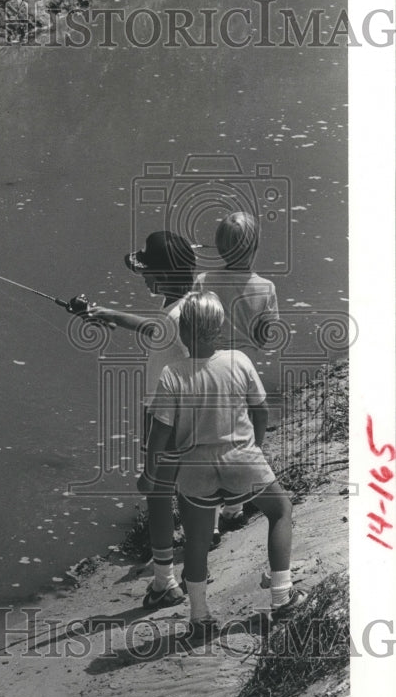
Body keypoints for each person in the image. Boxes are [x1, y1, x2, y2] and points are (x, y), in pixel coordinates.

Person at [139, 291, 305, 644]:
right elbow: (260, 410)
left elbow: (160, 434)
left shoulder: (171, 374)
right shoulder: (238, 360)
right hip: (242, 461)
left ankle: (200, 618)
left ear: (182, 333)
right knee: (280, 510)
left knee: (197, 544)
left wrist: (150, 475)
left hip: (195, 471)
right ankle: (282, 595)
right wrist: (255, 446)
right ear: (219, 330)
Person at [87, 230, 195, 610]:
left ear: (162, 276)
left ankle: (165, 582)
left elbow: (174, 341)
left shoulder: (175, 317)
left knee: (157, 493)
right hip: (194, 414)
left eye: (148, 272)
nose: (144, 278)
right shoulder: (194, 304)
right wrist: (113, 315)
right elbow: (159, 329)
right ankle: (195, 569)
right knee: (190, 491)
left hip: (164, 415)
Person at [194, 211, 280, 542]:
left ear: (218, 249)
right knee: (238, 441)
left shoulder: (203, 281)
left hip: (208, 369)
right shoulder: (266, 287)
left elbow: (194, 322)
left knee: (207, 441)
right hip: (242, 372)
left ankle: (210, 519)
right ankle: (233, 509)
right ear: (255, 246)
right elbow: (265, 338)